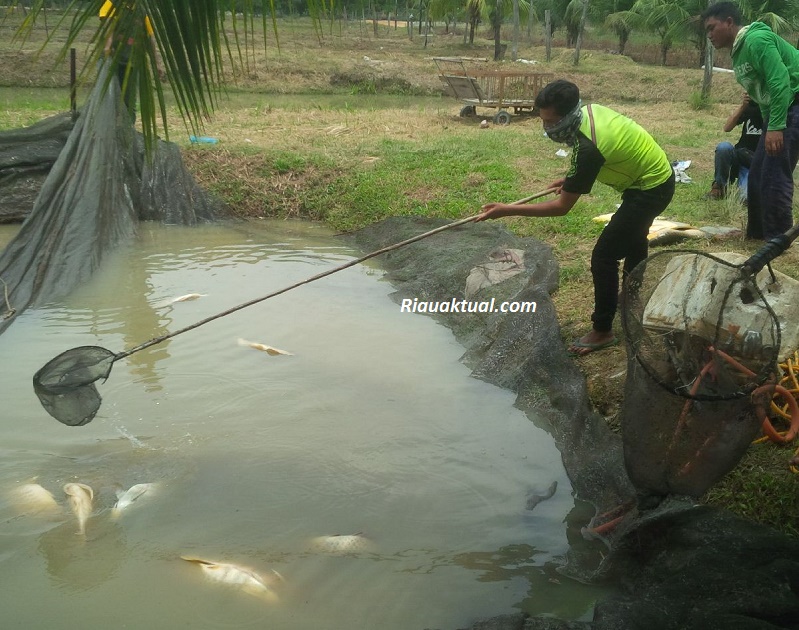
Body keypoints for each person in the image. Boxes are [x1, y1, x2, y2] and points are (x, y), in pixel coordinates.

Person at [477, 79, 674, 356]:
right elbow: (593, 160)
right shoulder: (588, 113)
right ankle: (631, 295)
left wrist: (507, 209)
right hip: (651, 176)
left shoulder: (588, 148)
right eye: (543, 121)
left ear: (568, 116)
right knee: (634, 235)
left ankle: (603, 330)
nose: (546, 128)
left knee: (604, 256)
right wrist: (573, 180)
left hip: (652, 188)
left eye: (550, 122)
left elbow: (561, 207)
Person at [703, 1, 799, 239]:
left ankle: (777, 240)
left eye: (712, 28)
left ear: (729, 22)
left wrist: (776, 126)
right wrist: (768, 123)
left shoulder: (756, 40)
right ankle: (756, 235)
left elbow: (780, 81)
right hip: (778, 109)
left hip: (794, 102)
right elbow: (762, 94)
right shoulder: (738, 54)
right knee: (757, 174)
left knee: (775, 175)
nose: (709, 35)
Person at [99, 1, 163, 122]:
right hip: (112, 61)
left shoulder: (142, 11)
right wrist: (108, 46)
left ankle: (128, 129)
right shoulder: (111, 3)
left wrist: (157, 63)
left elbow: (150, 38)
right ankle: (108, 128)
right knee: (109, 99)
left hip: (131, 62)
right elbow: (108, 25)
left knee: (129, 102)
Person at [707, 94, 763, 202]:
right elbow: (727, 128)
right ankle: (719, 187)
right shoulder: (751, 107)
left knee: (746, 199)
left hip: (756, 161)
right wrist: (743, 106)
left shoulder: (774, 111)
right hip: (740, 155)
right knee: (723, 147)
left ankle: (746, 189)